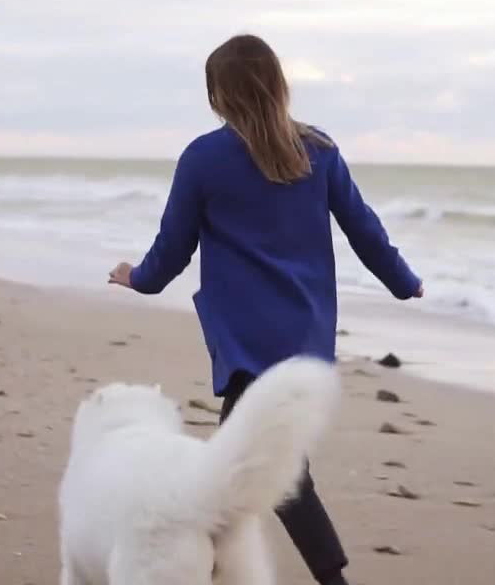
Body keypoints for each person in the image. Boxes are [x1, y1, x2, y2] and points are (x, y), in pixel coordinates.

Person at [108, 33, 423, 585]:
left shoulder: (204, 158)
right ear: (279, 85)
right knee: (254, 464)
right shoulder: (318, 151)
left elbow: (172, 249)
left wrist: (138, 278)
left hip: (247, 343)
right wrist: (404, 281)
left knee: (271, 470)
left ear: (218, 95)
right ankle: (209, 567)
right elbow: (365, 230)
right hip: (306, 334)